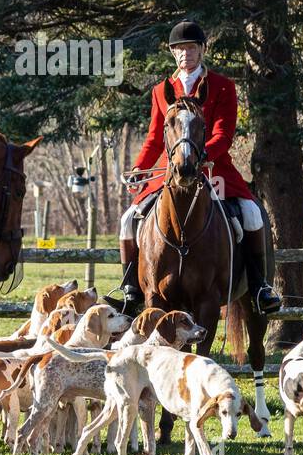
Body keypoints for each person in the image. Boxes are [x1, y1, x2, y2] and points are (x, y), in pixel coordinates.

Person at [113, 20, 281, 316]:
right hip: (170, 172)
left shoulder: (223, 86)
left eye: (191, 48)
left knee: (253, 214)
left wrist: (201, 155)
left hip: (212, 167)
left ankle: (259, 287)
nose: (185, 54)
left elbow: (223, 134)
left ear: (202, 50)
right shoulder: (161, 91)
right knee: (128, 219)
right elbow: (154, 137)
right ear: (172, 53)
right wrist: (140, 168)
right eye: (179, 49)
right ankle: (130, 288)